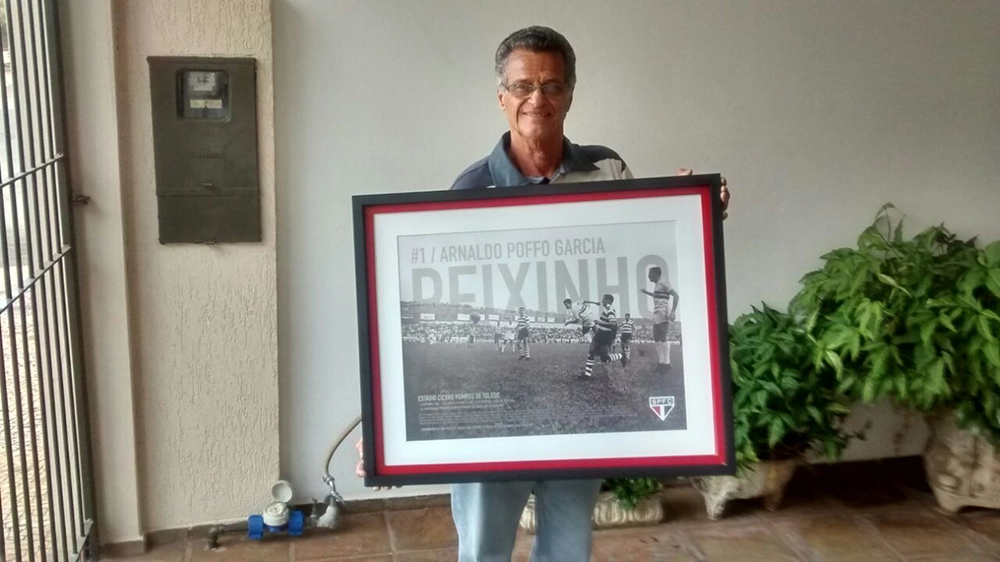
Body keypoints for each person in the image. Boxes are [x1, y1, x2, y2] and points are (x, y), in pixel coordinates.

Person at [358, 25, 730, 561]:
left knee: (568, 550)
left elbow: (648, 240)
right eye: (524, 85)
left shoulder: (607, 168)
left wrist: (698, 212)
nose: (539, 99)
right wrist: (385, 419)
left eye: (553, 85)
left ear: (571, 94)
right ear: (502, 97)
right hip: (490, 436)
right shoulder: (469, 188)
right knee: (484, 549)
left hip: (576, 446)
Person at [642, 265, 679, 374]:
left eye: (650, 274)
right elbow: (656, 295)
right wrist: (645, 292)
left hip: (664, 311)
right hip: (657, 312)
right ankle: (661, 362)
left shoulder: (663, 282)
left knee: (663, 337)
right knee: (656, 337)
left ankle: (666, 363)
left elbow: (676, 295)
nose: (648, 276)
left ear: (656, 274)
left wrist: (673, 311)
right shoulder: (657, 285)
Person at [581, 294, 626, 378]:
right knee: (591, 351)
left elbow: (613, 323)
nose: (602, 301)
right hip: (600, 333)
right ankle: (587, 375)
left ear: (608, 301)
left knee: (604, 358)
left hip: (604, 335)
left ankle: (621, 356)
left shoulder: (609, 310)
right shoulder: (607, 309)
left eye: (603, 300)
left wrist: (599, 322)